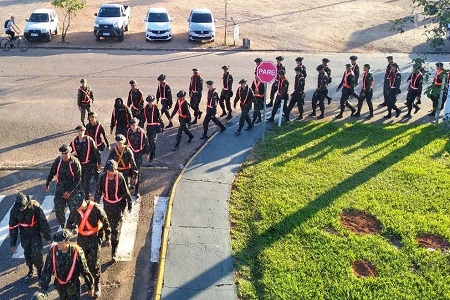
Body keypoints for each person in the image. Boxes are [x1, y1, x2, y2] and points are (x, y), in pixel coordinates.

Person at [66, 192, 111, 298]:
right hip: (82, 239)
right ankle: (88, 283)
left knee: (94, 263)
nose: (77, 209)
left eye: (78, 207)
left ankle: (97, 283)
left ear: (83, 202)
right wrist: (72, 230)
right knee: (83, 263)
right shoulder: (75, 211)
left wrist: (107, 237)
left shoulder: (95, 208)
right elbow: (69, 224)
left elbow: (105, 222)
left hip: (94, 238)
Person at [94, 160, 132, 262]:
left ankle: (114, 252)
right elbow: (98, 192)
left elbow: (125, 190)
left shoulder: (120, 177)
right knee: (104, 223)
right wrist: (95, 205)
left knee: (115, 229)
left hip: (118, 206)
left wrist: (129, 203)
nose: (111, 173)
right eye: (109, 171)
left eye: (113, 171)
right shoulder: (102, 178)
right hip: (107, 205)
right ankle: (104, 237)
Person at [39, 229, 95, 299]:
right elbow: (47, 270)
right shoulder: (53, 251)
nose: (58, 245)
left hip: (73, 285)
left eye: (61, 243)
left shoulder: (76, 252)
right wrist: (43, 289)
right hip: (60, 285)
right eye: (57, 243)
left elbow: (84, 270)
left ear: (67, 242)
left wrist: (90, 286)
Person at [9, 192, 51, 280]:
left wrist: (48, 236)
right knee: (27, 253)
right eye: (20, 207)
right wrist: (13, 244)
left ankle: (39, 271)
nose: (22, 208)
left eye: (24, 206)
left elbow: (43, 221)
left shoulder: (34, 207)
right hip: (24, 235)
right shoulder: (14, 211)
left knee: (37, 254)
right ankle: (30, 270)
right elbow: (13, 228)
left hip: (35, 233)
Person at [45, 144, 82, 228]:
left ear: (70, 153)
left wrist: (69, 192)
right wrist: (47, 183)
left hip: (72, 188)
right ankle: (63, 225)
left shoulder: (75, 163)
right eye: (62, 154)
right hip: (60, 188)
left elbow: (78, 179)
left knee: (74, 209)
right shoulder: (58, 161)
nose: (64, 156)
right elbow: (52, 172)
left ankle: (71, 223)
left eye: (66, 153)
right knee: (58, 209)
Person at [70, 125, 101, 200]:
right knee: (80, 182)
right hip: (79, 166)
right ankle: (81, 199)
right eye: (78, 131)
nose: (80, 133)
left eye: (82, 131)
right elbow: (69, 152)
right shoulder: (74, 141)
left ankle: (87, 199)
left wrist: (99, 163)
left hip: (88, 164)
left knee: (86, 184)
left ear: (84, 131)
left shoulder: (89, 140)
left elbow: (96, 151)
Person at [126, 118, 149, 198]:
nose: (133, 127)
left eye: (134, 125)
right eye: (131, 125)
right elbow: (126, 142)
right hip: (130, 153)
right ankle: (131, 183)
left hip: (138, 154)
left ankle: (137, 191)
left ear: (137, 125)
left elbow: (146, 142)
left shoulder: (141, 132)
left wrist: (147, 153)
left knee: (137, 172)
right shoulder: (129, 132)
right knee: (129, 170)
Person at [85, 111, 110, 182]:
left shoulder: (99, 125)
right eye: (90, 117)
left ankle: (97, 174)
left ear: (95, 118)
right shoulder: (87, 126)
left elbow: (104, 135)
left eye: (93, 117)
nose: (92, 119)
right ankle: (95, 175)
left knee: (98, 160)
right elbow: (86, 136)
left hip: (98, 146)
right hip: (91, 147)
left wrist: (108, 145)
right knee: (92, 161)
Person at [143, 95, 163, 162]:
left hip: (155, 126)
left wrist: (162, 126)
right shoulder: (146, 108)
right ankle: (150, 151)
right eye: (149, 102)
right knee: (148, 140)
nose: (150, 103)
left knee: (152, 141)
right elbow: (143, 117)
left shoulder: (156, 108)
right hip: (149, 127)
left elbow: (160, 117)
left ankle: (152, 154)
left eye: (151, 101)